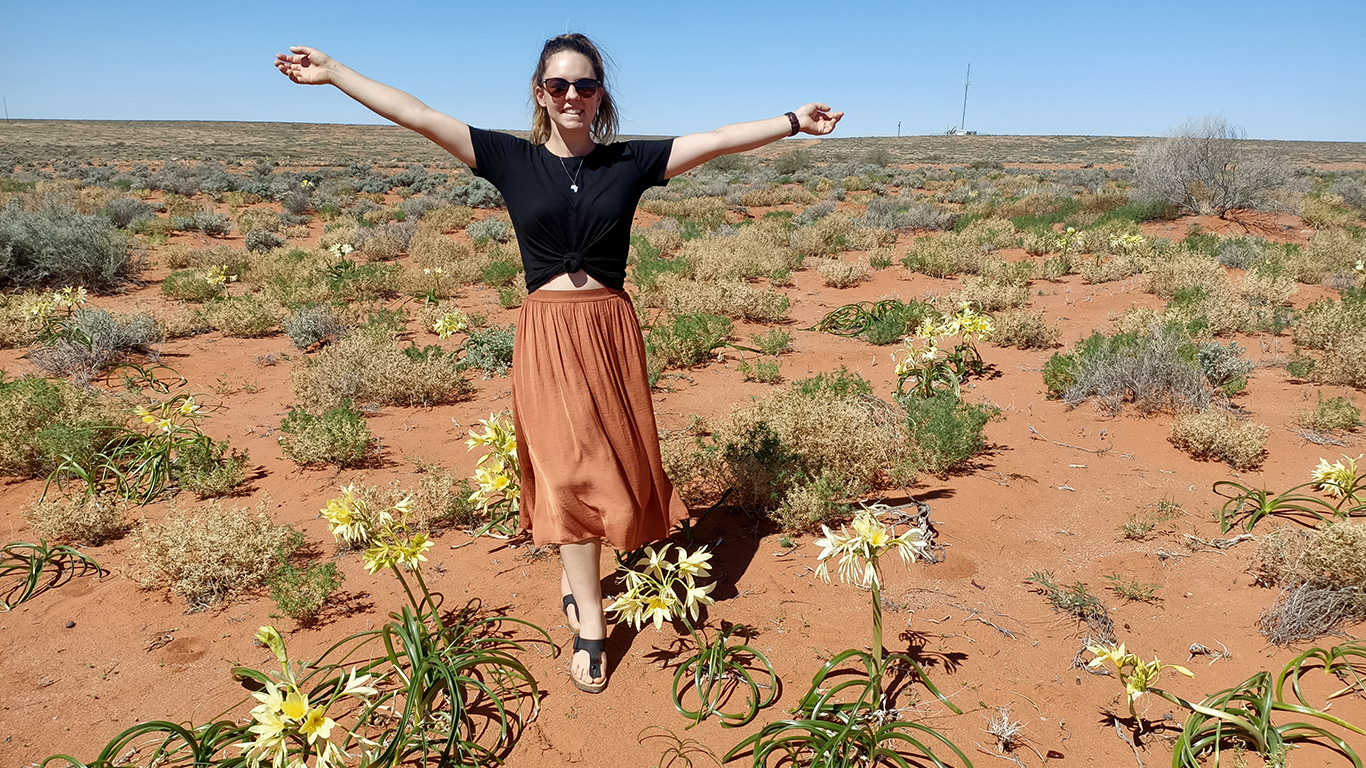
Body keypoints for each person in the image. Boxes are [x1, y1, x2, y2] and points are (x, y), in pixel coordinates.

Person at [275, 33, 842, 694]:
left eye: (585, 85)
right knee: (571, 473)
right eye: (558, 85)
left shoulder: (629, 162)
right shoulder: (509, 159)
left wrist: (795, 122)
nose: (572, 96)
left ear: (601, 94)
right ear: (541, 95)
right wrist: (336, 72)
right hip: (547, 334)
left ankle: (585, 584)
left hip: (608, 333)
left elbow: (716, 139)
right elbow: (419, 115)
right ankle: (592, 625)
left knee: (617, 470)